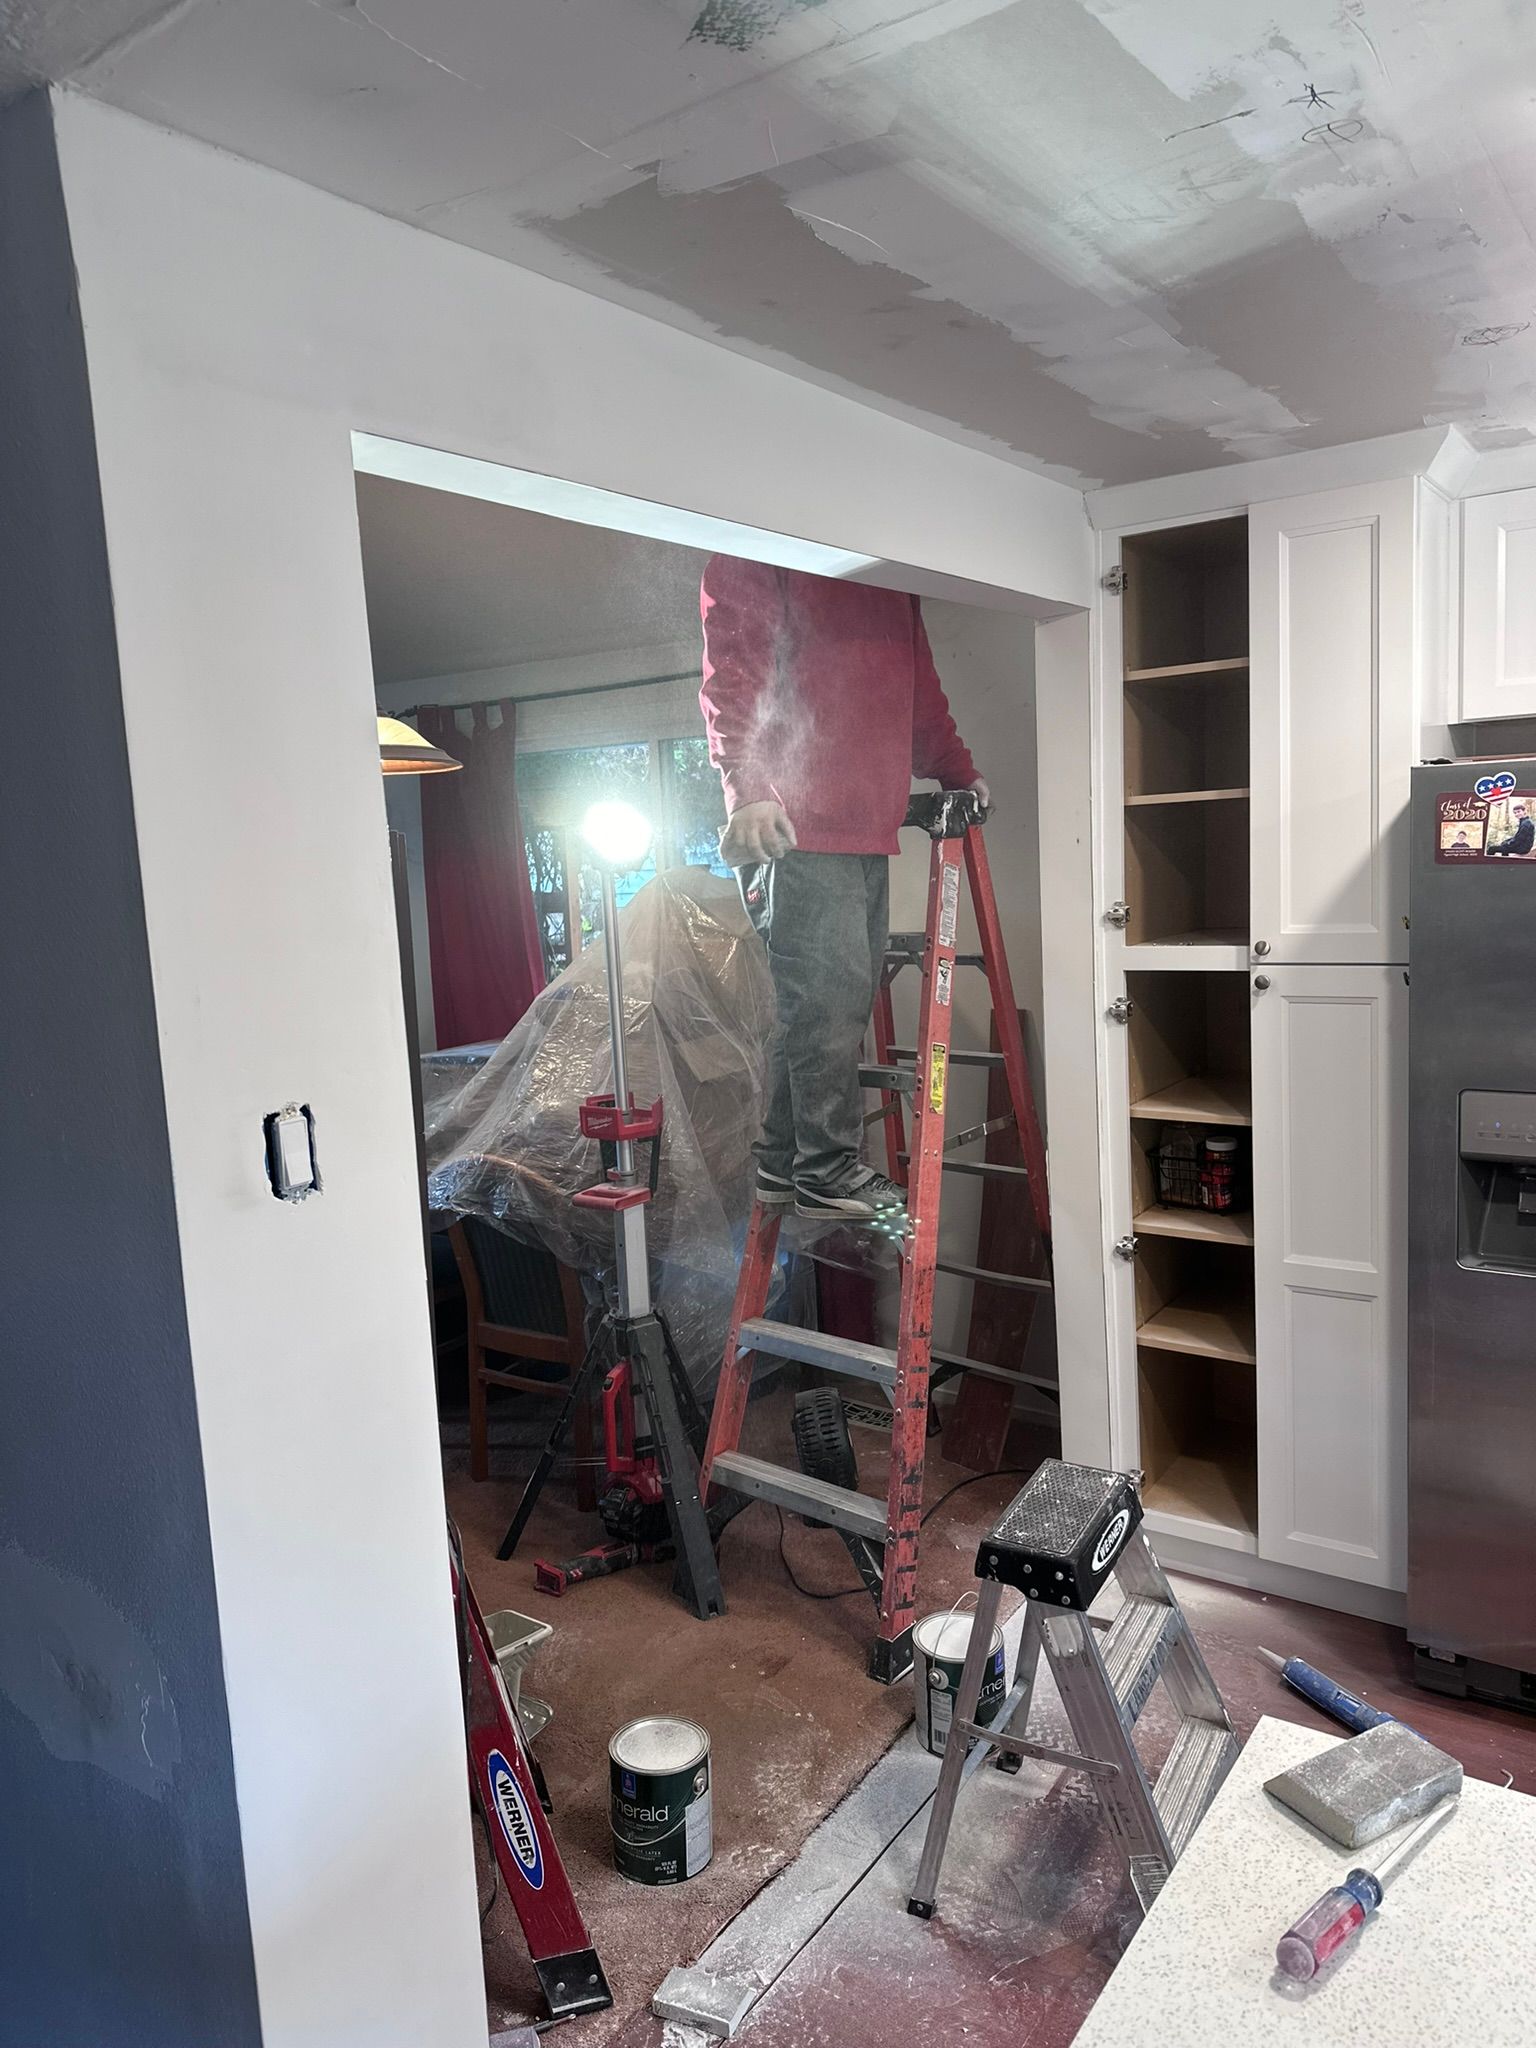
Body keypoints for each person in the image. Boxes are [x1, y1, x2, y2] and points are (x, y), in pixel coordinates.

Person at [699, 554, 986, 1221]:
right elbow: (733, 665)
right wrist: (745, 790)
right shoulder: (761, 547)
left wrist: (956, 771)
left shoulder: (891, 580)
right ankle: (825, 1168)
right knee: (826, 1005)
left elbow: (918, 688)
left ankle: (781, 1160)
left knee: (833, 1000)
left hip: (865, 825)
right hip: (795, 825)